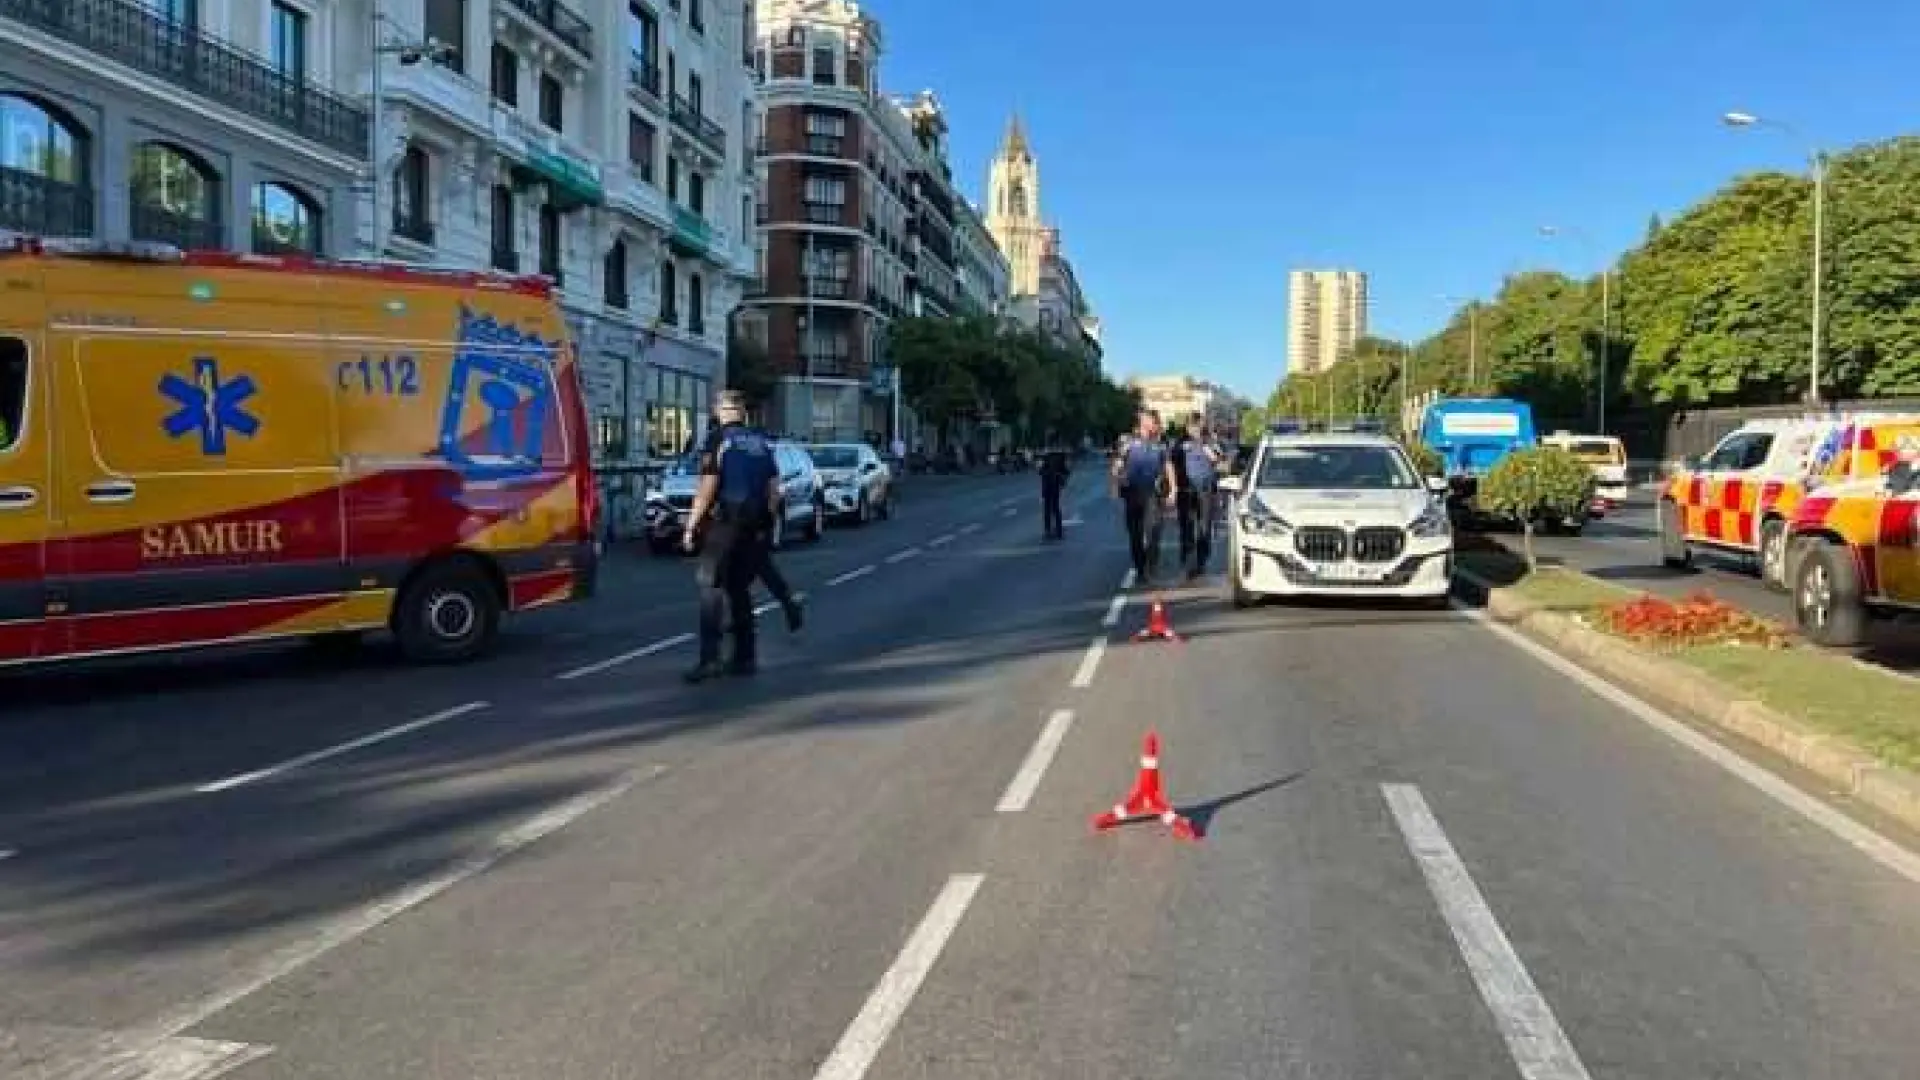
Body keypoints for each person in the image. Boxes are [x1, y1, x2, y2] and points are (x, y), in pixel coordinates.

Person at [681, 390, 802, 683]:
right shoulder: (760, 442)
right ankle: (745, 656)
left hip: (727, 519)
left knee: (710, 584)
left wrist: (692, 523)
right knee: (738, 587)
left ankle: (709, 659)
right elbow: (774, 487)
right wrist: (768, 522)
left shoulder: (718, 439)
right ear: (743, 412)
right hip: (756, 522)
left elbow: (708, 484)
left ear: (721, 410)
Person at [1111, 409, 1178, 585]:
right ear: (1144, 423)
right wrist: (1115, 483)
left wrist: (1173, 489)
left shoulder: (1161, 445)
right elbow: (1118, 464)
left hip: (1152, 493)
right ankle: (1141, 568)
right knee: (1135, 533)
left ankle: (1151, 564)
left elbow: (1168, 465)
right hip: (1132, 492)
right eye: (1153, 422)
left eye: (1156, 422)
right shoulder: (1128, 443)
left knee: (1154, 530)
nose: (1156, 425)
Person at [1177, 412, 1224, 579]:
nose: (1196, 429)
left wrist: (1210, 451)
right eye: (1193, 426)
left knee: (1204, 527)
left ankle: (1201, 561)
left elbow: (1221, 462)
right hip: (1186, 491)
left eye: (1198, 426)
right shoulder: (1180, 444)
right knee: (1187, 527)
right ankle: (1188, 562)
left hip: (1206, 491)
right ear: (1188, 427)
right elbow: (1170, 463)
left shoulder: (1210, 442)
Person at [1039, 443, 1071, 540]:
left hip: (1047, 484)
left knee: (1047, 508)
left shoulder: (1045, 455)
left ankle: (1048, 530)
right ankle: (1058, 530)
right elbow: (1066, 471)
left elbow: (1040, 470)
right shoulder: (1061, 455)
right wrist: (1062, 480)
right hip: (1055, 484)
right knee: (1055, 507)